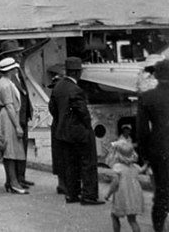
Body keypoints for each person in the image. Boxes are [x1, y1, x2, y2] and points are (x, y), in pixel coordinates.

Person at [49, 56, 104, 205]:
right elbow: (82, 112)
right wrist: (88, 126)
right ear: (77, 72)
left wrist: (62, 120)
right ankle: (89, 195)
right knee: (88, 162)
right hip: (79, 131)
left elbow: (52, 108)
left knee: (71, 163)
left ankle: (71, 194)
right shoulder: (76, 90)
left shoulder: (58, 87)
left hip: (63, 131)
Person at [137, 58, 169, 231]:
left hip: (159, 149)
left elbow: (142, 130)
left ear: (156, 75)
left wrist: (144, 155)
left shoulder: (147, 97)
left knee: (162, 190)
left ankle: (159, 226)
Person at [0, 57, 29, 194]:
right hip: (8, 117)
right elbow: (9, 106)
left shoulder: (6, 82)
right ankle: (13, 182)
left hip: (9, 115)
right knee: (10, 150)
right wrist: (17, 126)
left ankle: (11, 181)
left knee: (12, 149)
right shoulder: (5, 84)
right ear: (10, 70)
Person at [105, 138, 145, 232]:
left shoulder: (117, 168)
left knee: (114, 216)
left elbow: (115, 183)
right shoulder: (135, 167)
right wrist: (147, 164)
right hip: (135, 197)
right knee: (132, 220)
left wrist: (108, 194)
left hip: (122, 196)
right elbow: (142, 169)